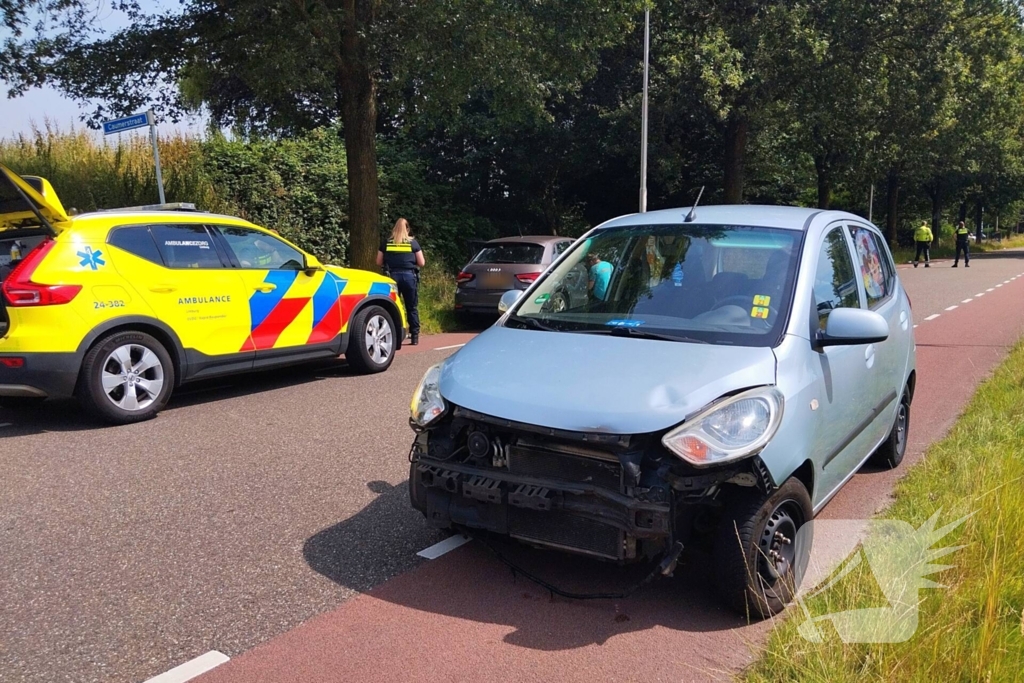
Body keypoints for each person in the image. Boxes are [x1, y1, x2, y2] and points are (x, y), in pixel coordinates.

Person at [377, 218, 425, 345]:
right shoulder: (413, 243)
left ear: (394, 228)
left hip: (392, 277)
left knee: (393, 308)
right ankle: (414, 336)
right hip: (409, 277)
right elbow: (422, 262)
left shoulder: (386, 243)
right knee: (411, 307)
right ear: (407, 229)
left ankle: (395, 336)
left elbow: (378, 262)